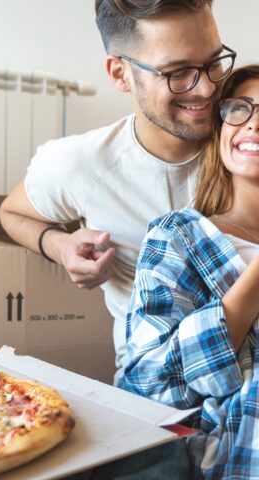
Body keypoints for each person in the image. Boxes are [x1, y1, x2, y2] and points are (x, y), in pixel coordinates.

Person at [0, 0, 236, 389]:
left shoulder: (245, 141)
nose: (207, 87)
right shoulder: (79, 163)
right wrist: (59, 245)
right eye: (178, 73)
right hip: (157, 384)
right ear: (120, 74)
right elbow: (11, 212)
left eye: (213, 62)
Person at [120, 64, 259, 479]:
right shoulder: (178, 236)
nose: (253, 124)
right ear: (220, 126)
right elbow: (149, 383)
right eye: (240, 109)